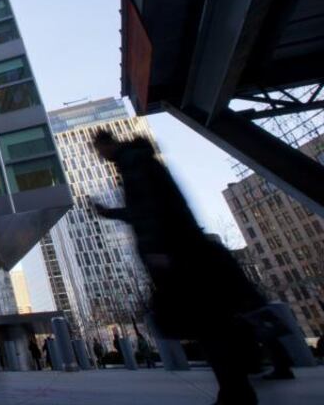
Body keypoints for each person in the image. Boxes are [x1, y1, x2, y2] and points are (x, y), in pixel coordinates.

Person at [91, 130, 268, 405]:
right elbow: (146, 208)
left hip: (175, 252)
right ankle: (237, 386)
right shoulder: (138, 160)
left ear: (106, 144)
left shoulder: (133, 163)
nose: (100, 157)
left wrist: (158, 250)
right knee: (212, 322)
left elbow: (149, 210)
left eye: (99, 150)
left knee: (208, 324)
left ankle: (236, 391)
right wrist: (110, 213)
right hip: (183, 247)